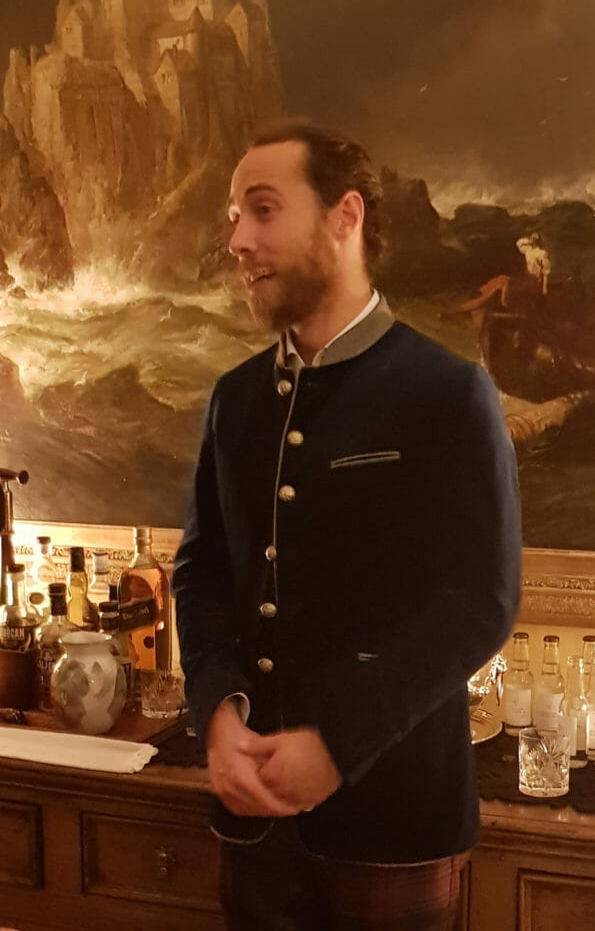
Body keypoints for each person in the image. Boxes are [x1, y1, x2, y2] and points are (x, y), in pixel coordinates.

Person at [173, 120, 522, 930]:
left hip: (396, 819)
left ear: (346, 216)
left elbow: (480, 601)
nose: (238, 240)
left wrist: (337, 741)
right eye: (235, 217)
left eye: (263, 210)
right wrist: (217, 710)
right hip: (252, 818)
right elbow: (202, 572)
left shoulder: (448, 392)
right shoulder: (235, 398)